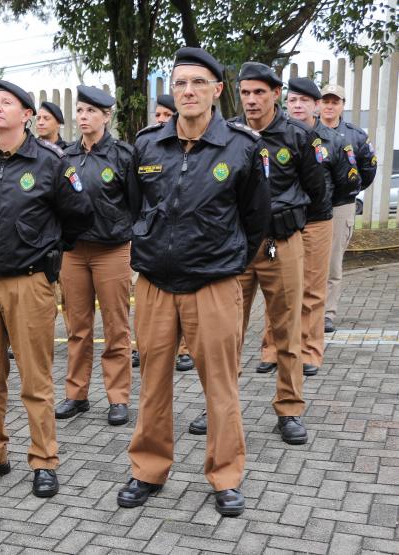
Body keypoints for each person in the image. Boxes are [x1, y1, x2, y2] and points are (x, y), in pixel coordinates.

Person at [118, 47, 269, 516]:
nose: (187, 91)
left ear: (216, 91)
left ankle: (225, 477)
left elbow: (256, 219)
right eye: (180, 83)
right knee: (154, 385)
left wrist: (224, 263)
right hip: (156, 286)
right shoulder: (146, 145)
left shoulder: (242, 147)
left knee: (220, 387)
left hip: (214, 287)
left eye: (198, 83)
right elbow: (131, 206)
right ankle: (147, 470)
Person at [0, 80, 94, 498]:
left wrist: (46, 247)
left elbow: (79, 215)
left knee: (36, 378)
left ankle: (44, 459)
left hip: (30, 282)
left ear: (26, 115)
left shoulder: (51, 161)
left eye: (6, 103)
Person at [189, 62, 325, 443]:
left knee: (287, 331)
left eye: (259, 92)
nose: (251, 100)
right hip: (237, 249)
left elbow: (319, 199)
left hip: (282, 245)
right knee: (225, 333)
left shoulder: (299, 137)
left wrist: (291, 233)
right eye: (245, 92)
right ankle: (217, 406)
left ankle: (290, 408)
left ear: (276, 94)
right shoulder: (229, 135)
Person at [254, 78, 360, 377]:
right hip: (278, 228)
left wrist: (321, 205)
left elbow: (347, 182)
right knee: (274, 286)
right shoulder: (277, 136)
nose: (297, 106)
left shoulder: (333, 140)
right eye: (292, 100)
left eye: (304, 100)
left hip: (315, 224)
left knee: (313, 289)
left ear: (316, 105)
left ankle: (310, 351)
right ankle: (271, 348)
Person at [56, 85, 134, 425]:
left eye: (91, 111)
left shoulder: (123, 155)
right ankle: (77, 393)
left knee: (116, 327)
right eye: (81, 110)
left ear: (107, 116)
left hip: (112, 250)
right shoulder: (66, 157)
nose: (84, 117)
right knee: (78, 327)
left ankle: (118, 397)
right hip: (74, 252)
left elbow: (136, 204)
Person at [132, 93, 196, 373]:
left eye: (165, 115)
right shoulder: (147, 145)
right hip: (155, 247)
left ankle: (186, 349)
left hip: (197, 255)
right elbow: (135, 199)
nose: (160, 120)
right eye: (157, 114)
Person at [319, 83, 377, 333]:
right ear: (319, 103)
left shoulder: (356, 135)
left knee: (332, 262)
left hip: (341, 206)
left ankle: (327, 313)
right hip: (310, 207)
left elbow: (369, 167)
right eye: (326, 101)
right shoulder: (307, 131)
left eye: (335, 101)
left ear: (342, 105)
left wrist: (350, 188)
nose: (330, 106)